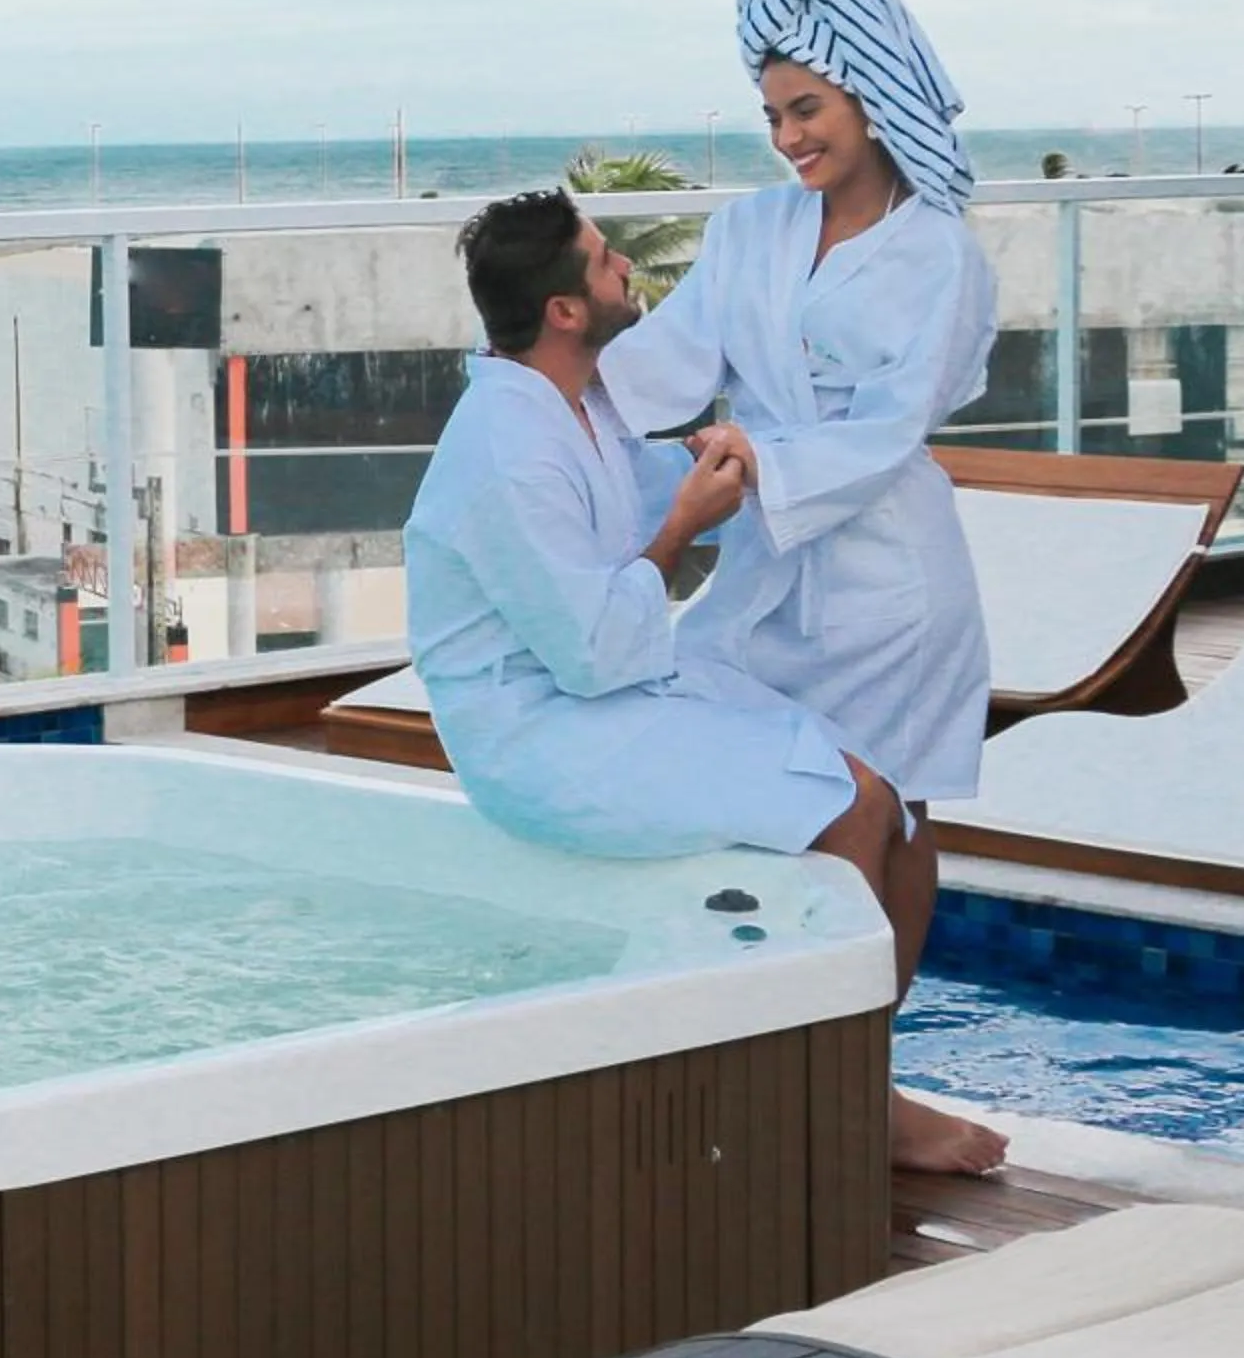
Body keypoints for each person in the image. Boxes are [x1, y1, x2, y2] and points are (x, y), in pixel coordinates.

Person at [406, 187, 1001, 1173]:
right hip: (543, 736)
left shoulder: (566, 405)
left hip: (601, 697)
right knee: (849, 806)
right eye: (605, 260)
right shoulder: (507, 448)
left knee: (886, 799)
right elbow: (596, 645)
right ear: (564, 309)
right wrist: (685, 521)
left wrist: (727, 471)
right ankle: (833, 1100)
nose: (624, 270)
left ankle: (851, 1077)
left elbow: (629, 526)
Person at [597, 0, 1003, 1170]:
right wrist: (548, 394)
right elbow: (665, 360)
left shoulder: (941, 255)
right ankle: (760, 1060)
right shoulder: (751, 230)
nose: (786, 139)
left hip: (892, 584)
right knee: (752, 800)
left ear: (872, 96)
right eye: (772, 114)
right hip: (762, 577)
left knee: (896, 821)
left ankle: (864, 1088)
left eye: (807, 110)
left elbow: (888, 430)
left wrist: (763, 465)